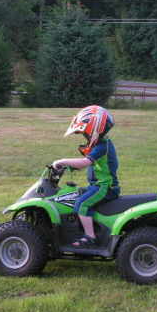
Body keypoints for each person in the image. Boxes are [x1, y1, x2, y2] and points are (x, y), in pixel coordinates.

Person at [52, 105, 120, 248]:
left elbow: (84, 162)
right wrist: (69, 166)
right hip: (98, 185)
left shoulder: (102, 147)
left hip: (105, 187)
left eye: (86, 134)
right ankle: (86, 227)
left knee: (82, 204)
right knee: (74, 196)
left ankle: (90, 237)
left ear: (94, 131)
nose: (85, 137)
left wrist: (62, 161)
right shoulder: (102, 143)